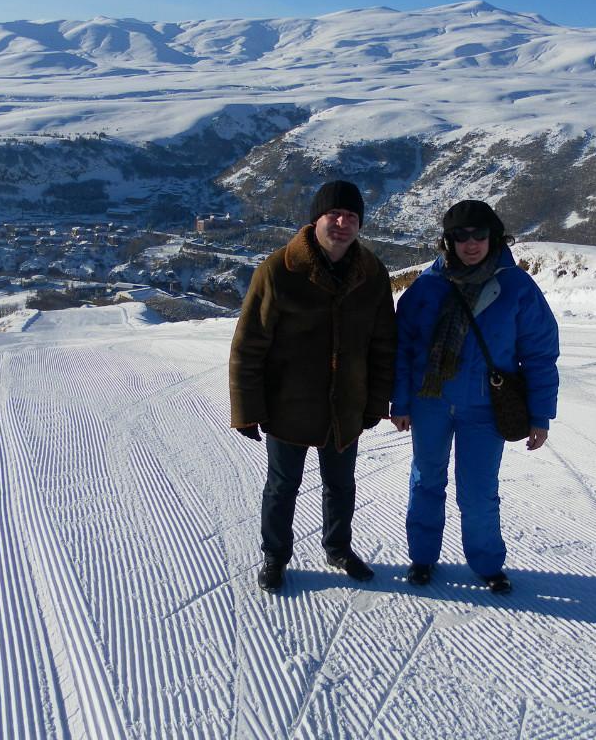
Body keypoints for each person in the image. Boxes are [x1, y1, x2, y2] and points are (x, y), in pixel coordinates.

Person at [230, 180, 397, 593]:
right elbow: (249, 345)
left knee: (341, 484)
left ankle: (338, 549)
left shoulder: (372, 273)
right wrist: (247, 410)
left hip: (346, 406)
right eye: (334, 215)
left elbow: (383, 344)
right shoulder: (279, 269)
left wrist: (375, 402)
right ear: (316, 219)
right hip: (288, 404)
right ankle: (275, 556)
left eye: (351, 217)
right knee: (283, 485)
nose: (342, 223)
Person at [390, 200, 559, 593]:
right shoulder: (427, 286)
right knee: (426, 480)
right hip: (429, 402)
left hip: (485, 407)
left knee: (479, 491)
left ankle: (486, 564)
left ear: (494, 237)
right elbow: (404, 347)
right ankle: (422, 558)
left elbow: (539, 354)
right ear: (447, 241)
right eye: (460, 236)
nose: (470, 244)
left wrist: (540, 415)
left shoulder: (516, 287)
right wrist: (400, 402)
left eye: (479, 235)